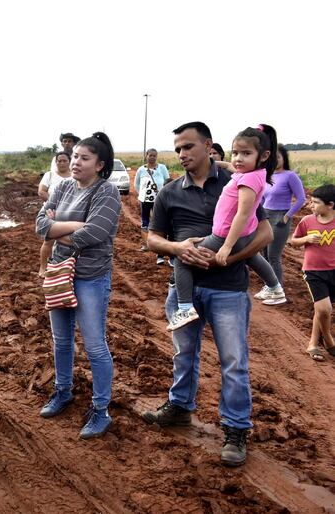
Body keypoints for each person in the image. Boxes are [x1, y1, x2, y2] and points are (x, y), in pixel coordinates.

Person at [143, 121, 273, 467]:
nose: (182, 154)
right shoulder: (170, 192)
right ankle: (180, 407)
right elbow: (151, 238)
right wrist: (177, 248)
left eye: (188, 147)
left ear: (208, 146)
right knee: (183, 354)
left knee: (234, 362)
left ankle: (236, 428)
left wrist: (227, 257)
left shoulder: (237, 181)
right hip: (185, 287)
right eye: (178, 149)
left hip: (228, 289)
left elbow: (264, 232)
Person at [35, 132, 121, 439]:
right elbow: (40, 226)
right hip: (60, 271)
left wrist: (57, 230)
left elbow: (94, 234)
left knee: (95, 345)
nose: (76, 163)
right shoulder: (62, 187)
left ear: (100, 165)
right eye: (74, 157)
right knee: (61, 340)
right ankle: (63, 391)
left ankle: (101, 410)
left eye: (84, 158)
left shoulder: (107, 192)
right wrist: (72, 226)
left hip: (90, 276)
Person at [168, 124, 286, 331]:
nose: (238, 159)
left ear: (265, 155)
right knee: (252, 256)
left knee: (182, 256)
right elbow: (233, 168)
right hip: (245, 235)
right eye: (236, 153)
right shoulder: (254, 173)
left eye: (246, 153)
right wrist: (217, 162)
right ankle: (275, 287)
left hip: (224, 235)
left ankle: (185, 307)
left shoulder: (248, 180)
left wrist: (226, 247)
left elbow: (242, 214)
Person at [289, 184, 335, 361]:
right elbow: (293, 241)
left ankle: (313, 344)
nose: (311, 205)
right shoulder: (307, 221)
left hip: (333, 270)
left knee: (321, 310)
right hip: (314, 271)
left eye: (315, 202)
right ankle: (329, 341)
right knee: (324, 309)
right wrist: (306, 239)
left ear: (330, 205)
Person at [256, 144, 305, 293]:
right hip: (266, 216)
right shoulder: (267, 175)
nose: (275, 160)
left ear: (284, 158)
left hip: (280, 217)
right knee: (263, 254)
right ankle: (269, 286)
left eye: (277, 157)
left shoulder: (290, 175)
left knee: (273, 256)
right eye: (272, 158)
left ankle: (277, 290)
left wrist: (287, 216)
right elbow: (263, 199)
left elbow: (301, 198)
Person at [37, 150, 73, 276]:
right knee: (49, 240)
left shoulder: (74, 176)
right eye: (59, 161)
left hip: (70, 214)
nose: (62, 163)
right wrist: (55, 205)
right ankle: (43, 267)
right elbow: (42, 192)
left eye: (65, 161)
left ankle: (64, 269)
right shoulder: (50, 175)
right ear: (56, 162)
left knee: (69, 242)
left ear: (69, 162)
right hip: (51, 212)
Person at [134, 148, 170, 264]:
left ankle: (159, 248)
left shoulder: (162, 168)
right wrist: (142, 194)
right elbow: (136, 184)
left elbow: (167, 182)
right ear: (146, 156)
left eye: (155, 155)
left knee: (159, 222)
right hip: (145, 200)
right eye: (150, 155)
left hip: (159, 200)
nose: (152, 157)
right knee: (145, 222)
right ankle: (146, 244)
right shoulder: (141, 170)